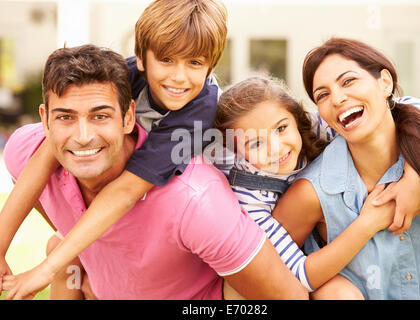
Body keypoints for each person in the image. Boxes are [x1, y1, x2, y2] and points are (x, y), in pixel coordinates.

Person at [1, 44, 310, 300]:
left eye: (100, 116)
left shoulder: (197, 201)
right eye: (66, 117)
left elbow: (289, 297)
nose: (83, 136)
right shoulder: (23, 153)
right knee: (63, 256)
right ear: (45, 120)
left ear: (128, 117)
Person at [0, 0, 231, 299]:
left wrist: (42, 270)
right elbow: (45, 155)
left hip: (216, 211)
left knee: (62, 256)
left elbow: (125, 191)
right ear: (142, 58)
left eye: (195, 63)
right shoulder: (126, 73)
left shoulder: (197, 114)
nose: (178, 76)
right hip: (138, 204)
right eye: (166, 59)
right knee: (63, 253)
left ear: (210, 65)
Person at [214, 76, 420, 299]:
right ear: (236, 152)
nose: (276, 148)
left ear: (295, 119)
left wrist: (414, 177)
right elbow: (299, 275)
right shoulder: (249, 199)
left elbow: (410, 106)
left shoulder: (312, 128)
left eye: (281, 128)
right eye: (255, 143)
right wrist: (367, 224)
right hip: (281, 273)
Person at [272, 37, 420, 299]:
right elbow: (266, 271)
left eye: (348, 81)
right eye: (323, 95)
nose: (338, 98)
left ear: (385, 83)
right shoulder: (314, 191)